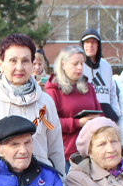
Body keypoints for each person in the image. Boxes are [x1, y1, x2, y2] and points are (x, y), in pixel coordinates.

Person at [0, 33, 64, 176]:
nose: (19, 67)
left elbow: (56, 149)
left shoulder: (46, 102)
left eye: (25, 61)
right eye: (12, 60)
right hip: (1, 185)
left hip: (41, 184)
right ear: (1, 63)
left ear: (32, 64)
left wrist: (61, 182)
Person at [44, 45, 103, 174]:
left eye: (82, 63)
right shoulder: (53, 90)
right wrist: (78, 123)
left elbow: (100, 112)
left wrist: (98, 121)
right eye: (75, 64)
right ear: (63, 64)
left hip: (91, 151)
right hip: (67, 153)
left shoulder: (88, 87)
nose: (80, 68)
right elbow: (50, 123)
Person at [80, 29, 120, 123]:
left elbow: (112, 92)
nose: (90, 45)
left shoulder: (106, 65)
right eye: (87, 42)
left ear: (98, 44)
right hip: (87, 117)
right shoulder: (79, 66)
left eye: (93, 42)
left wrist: (116, 114)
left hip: (107, 117)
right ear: (82, 44)